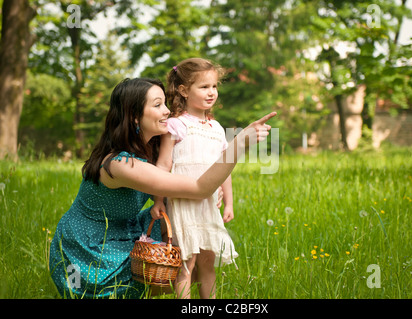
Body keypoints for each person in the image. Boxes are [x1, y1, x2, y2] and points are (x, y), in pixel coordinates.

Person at [48, 77, 276, 299]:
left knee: (193, 246)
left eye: (165, 103)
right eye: (157, 105)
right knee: (183, 264)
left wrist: (216, 192)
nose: (167, 111)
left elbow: (193, 177)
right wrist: (239, 143)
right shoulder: (120, 164)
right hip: (87, 249)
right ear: (135, 117)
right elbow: (199, 187)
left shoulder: (151, 150)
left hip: (125, 230)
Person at [150, 58, 235, 299]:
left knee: (207, 263)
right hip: (183, 203)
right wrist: (158, 201)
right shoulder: (176, 125)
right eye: (204, 87)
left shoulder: (217, 129)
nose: (211, 92)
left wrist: (228, 202)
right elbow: (164, 164)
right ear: (184, 91)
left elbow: (224, 168)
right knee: (186, 264)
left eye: (214, 86)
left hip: (208, 206)